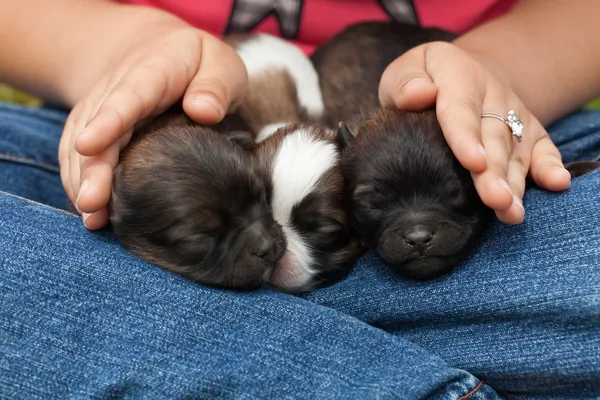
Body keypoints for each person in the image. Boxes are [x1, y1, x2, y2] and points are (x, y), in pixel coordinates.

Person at [1, 0, 599, 398]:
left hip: (493, 114)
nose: (274, 250)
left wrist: (497, 69)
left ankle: (153, 324)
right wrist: (118, 50)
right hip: (120, 126)